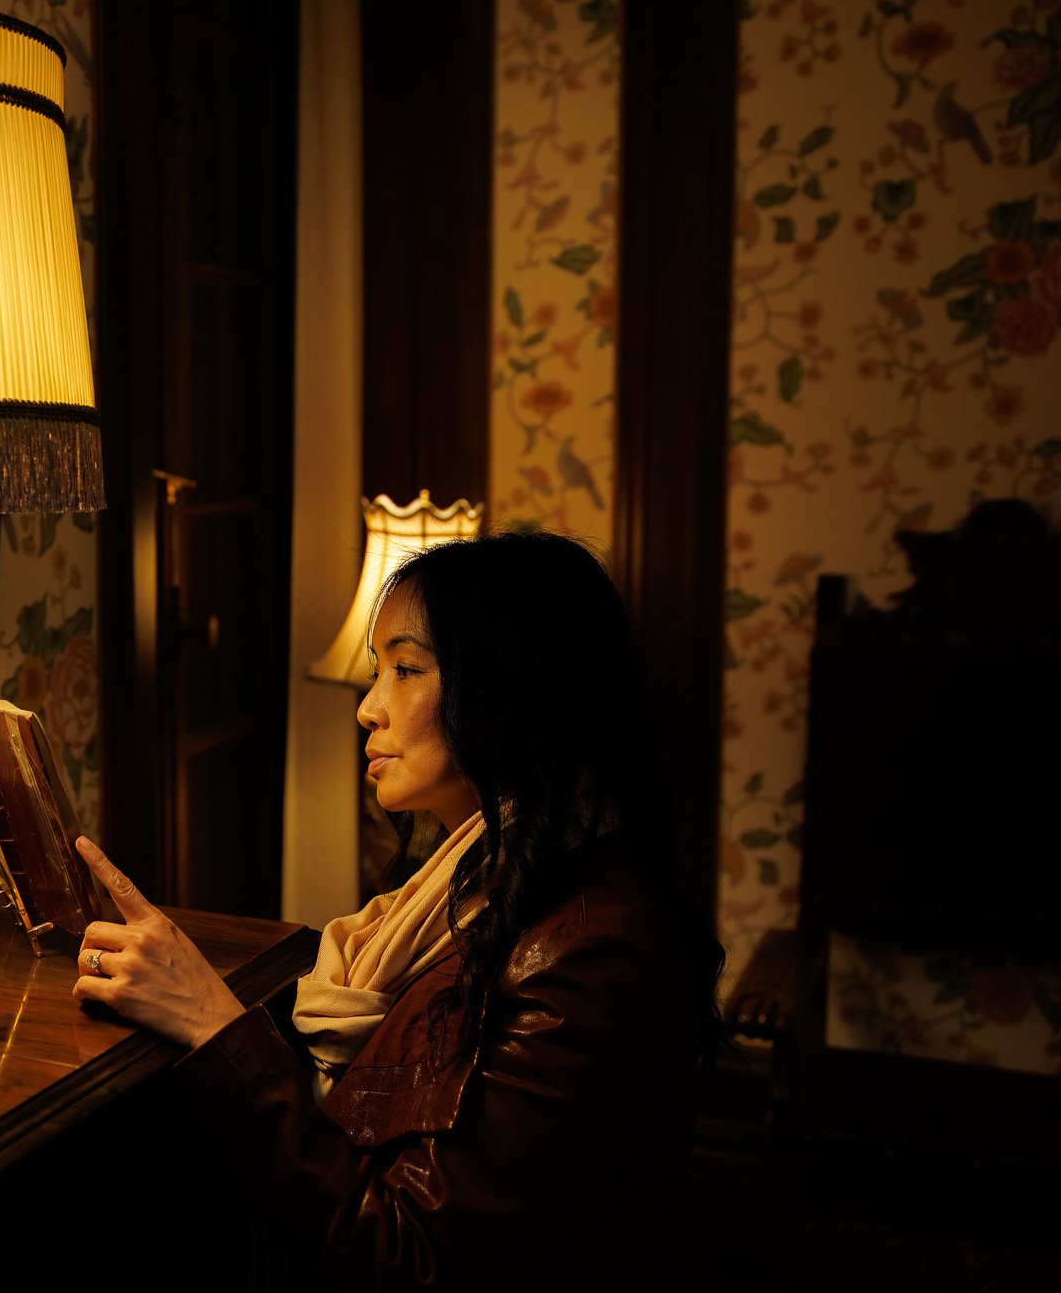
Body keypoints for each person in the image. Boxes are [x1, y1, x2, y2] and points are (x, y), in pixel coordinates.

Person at [71, 530, 724, 1290]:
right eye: (377, 670)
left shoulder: (591, 950)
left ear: (512, 687)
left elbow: (413, 1255)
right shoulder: (475, 883)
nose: (368, 708)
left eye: (405, 669)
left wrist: (216, 1026)